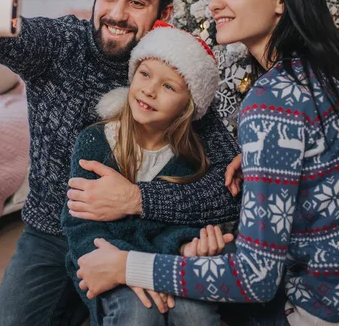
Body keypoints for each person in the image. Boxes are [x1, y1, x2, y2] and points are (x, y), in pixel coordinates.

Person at [75, 0, 339, 326]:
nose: (214, 3)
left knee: (203, 303)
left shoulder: (271, 101)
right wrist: (264, 155)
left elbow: (255, 279)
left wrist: (128, 266)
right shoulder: (334, 68)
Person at [0, 0, 242, 326]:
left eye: (136, 2)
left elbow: (227, 189)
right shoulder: (60, 44)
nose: (116, 13)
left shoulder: (175, 70)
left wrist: (138, 200)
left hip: (145, 237)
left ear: (163, 13)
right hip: (50, 236)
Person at [62, 20, 230, 326]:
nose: (149, 90)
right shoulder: (96, 141)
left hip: (169, 260)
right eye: (144, 74)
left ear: (186, 107)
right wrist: (132, 268)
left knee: (196, 314)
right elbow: (81, 226)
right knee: (139, 313)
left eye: (168, 86)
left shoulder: (194, 157)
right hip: (104, 258)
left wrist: (183, 248)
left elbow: (188, 224)